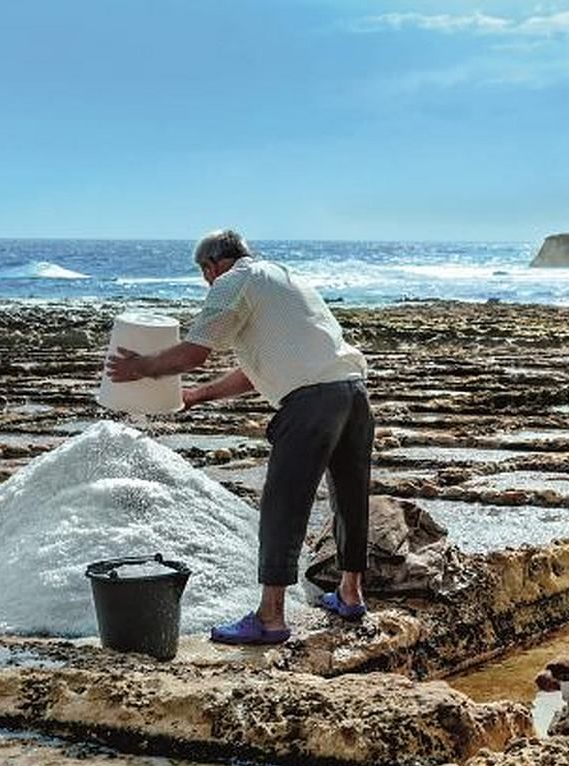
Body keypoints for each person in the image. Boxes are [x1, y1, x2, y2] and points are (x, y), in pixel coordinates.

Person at [105, 229, 373, 645]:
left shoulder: (232, 282)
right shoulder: (282, 277)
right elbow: (259, 369)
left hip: (312, 404)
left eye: (205, 275)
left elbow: (194, 352)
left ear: (211, 266)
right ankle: (351, 593)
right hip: (352, 392)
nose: (207, 283)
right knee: (350, 498)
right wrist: (199, 395)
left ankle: (270, 618)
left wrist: (142, 367)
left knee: (283, 503)